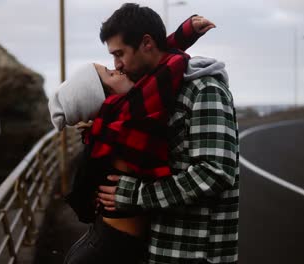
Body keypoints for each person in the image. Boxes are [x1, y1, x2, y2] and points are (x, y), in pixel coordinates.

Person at [48, 5, 214, 264]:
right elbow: (166, 66)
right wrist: (185, 33)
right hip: (111, 250)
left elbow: (156, 57)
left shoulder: (111, 120)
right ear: (105, 96)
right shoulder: (128, 117)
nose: (118, 68)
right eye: (110, 72)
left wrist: (185, 33)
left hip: (103, 240)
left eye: (117, 57)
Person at [96, 3, 240, 264]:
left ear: (147, 43)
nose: (116, 65)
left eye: (120, 54)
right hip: (160, 247)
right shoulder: (154, 88)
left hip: (196, 252)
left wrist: (136, 195)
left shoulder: (204, 89)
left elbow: (215, 172)